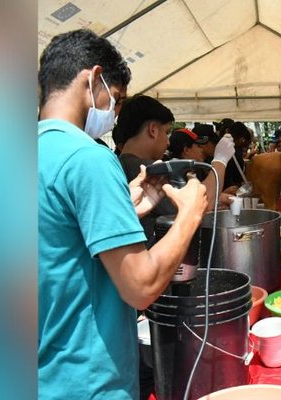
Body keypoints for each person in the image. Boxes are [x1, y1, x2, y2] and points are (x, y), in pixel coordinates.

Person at [38, 29, 208, 399]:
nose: (114, 115)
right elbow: (140, 287)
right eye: (114, 100)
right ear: (92, 78)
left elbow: (58, 247)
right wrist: (190, 215)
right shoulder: (87, 158)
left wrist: (124, 207)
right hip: (89, 381)